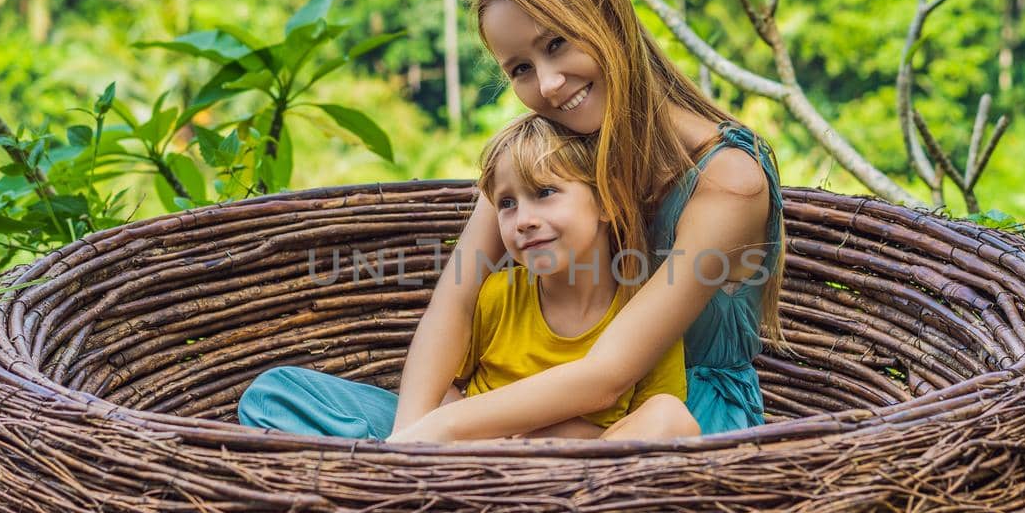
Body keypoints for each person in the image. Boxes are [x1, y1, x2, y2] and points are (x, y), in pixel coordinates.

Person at [238, 113, 700, 440]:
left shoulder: (641, 313)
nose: (523, 220)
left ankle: (387, 474)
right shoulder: (497, 296)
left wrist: (548, 439)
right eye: (507, 203)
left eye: (545, 192)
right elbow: (446, 389)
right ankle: (392, 472)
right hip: (458, 450)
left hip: (563, 474)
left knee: (669, 417)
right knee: (271, 395)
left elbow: (647, 436)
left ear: (606, 203)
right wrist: (448, 436)